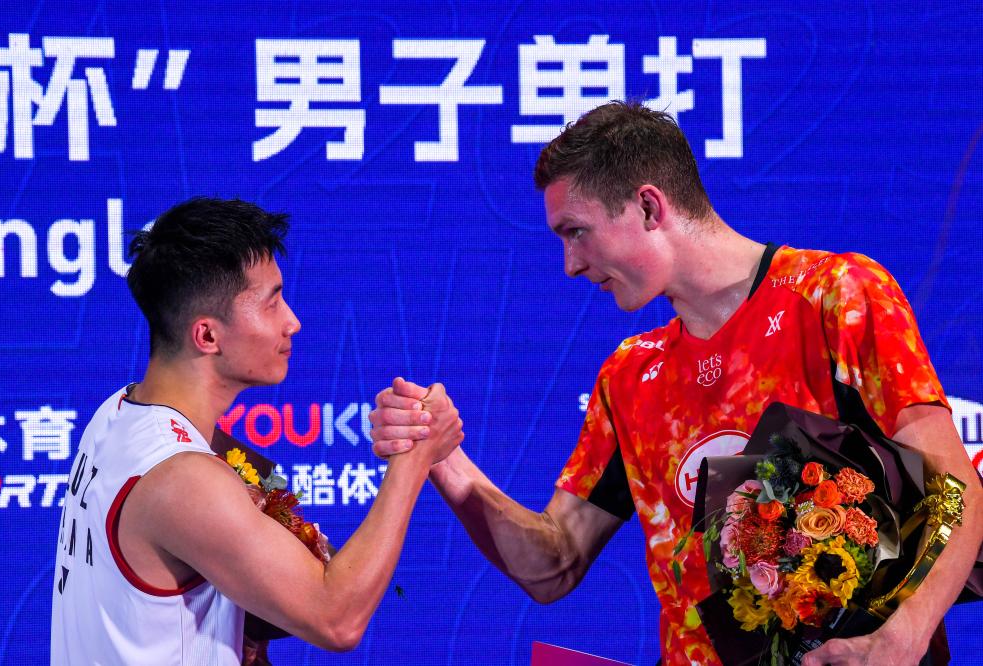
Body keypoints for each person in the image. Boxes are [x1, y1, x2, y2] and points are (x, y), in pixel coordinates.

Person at [369, 101, 982, 665]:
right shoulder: (630, 375)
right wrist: (442, 456)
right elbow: (554, 562)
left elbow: (957, 491)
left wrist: (900, 639)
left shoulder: (834, 297)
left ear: (648, 207)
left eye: (575, 231)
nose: (571, 264)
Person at [50, 197, 463, 665]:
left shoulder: (121, 410)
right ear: (208, 335)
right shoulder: (185, 481)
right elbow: (337, 619)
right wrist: (414, 451)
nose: (293, 322)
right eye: (272, 303)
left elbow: (246, 483)